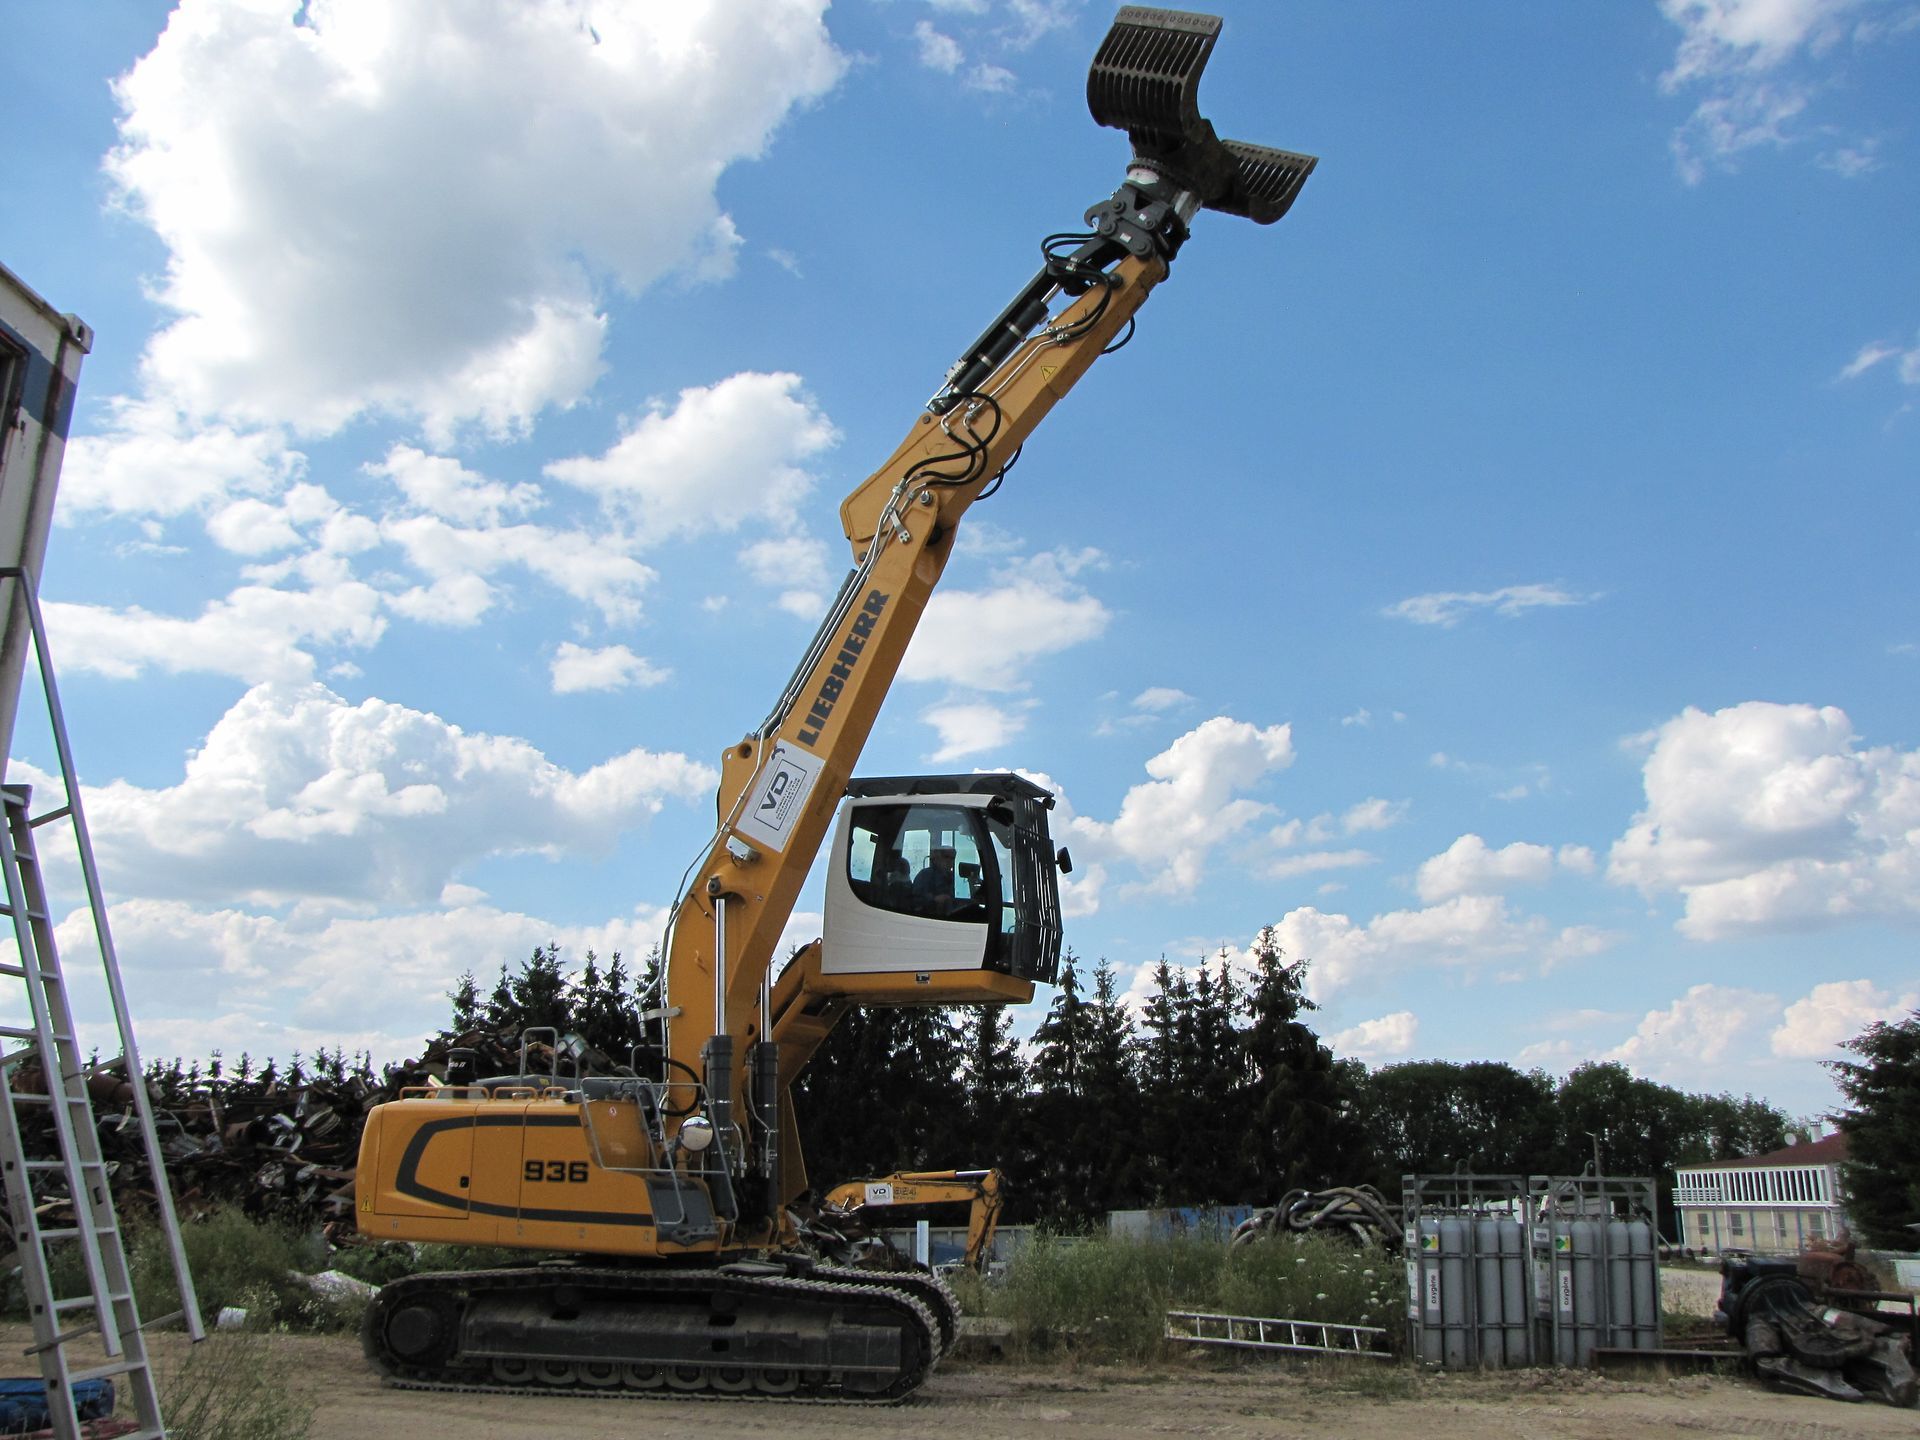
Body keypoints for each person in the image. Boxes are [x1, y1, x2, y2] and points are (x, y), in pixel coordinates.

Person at [912, 845, 958, 914]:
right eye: (946, 857)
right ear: (937, 858)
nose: (949, 861)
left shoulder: (951, 877)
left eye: (952, 858)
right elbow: (915, 900)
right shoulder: (925, 875)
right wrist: (935, 899)